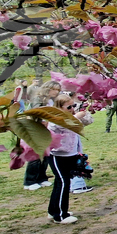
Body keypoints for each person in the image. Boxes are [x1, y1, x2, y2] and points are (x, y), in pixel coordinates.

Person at [46, 95, 93, 224]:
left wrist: (85, 111)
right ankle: (61, 216)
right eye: (69, 107)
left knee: (59, 183)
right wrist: (76, 116)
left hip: (69, 154)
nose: (72, 109)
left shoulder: (72, 116)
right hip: (57, 156)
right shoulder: (55, 119)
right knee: (63, 183)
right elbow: (62, 125)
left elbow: (88, 121)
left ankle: (53, 211)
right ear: (59, 107)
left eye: (73, 105)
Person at [23, 81, 61, 190]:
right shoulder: (38, 99)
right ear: (48, 88)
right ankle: (29, 181)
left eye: (58, 90)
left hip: (48, 130)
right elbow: (35, 113)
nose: (56, 92)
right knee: (35, 156)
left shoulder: (51, 100)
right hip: (37, 130)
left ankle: (42, 178)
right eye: (54, 89)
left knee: (45, 155)